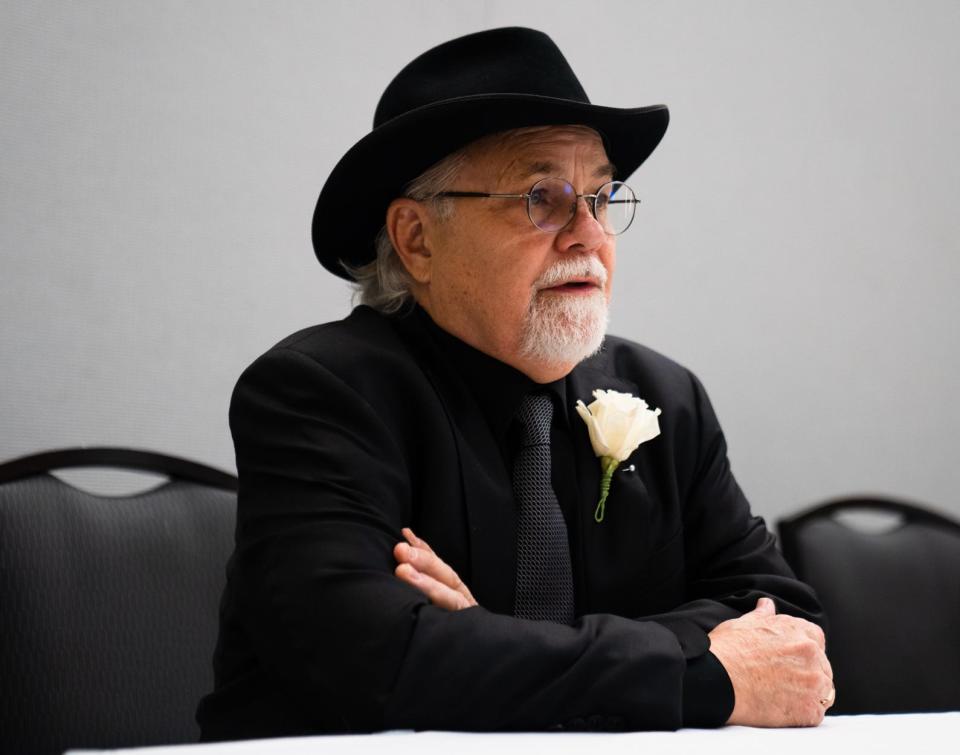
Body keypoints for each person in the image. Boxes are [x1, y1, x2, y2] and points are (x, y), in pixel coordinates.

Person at [197, 27, 834, 740]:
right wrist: (699, 670)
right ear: (417, 239)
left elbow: (787, 631)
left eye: (601, 196)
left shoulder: (664, 397)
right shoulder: (321, 392)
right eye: (542, 196)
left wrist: (489, 647)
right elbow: (375, 664)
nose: (589, 234)